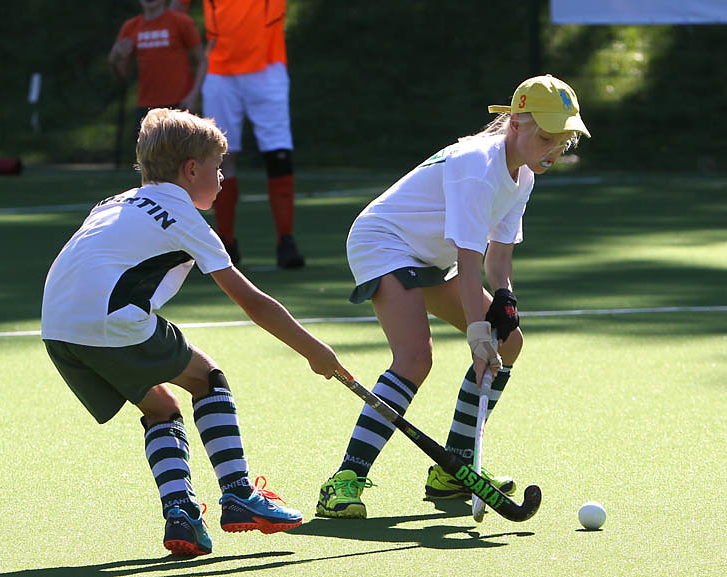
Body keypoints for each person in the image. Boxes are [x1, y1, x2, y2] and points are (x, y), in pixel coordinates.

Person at [41, 108, 351, 556]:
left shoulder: (114, 202)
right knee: (208, 378)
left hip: (57, 328)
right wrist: (314, 350)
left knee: (161, 406)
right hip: (112, 320)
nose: (222, 178)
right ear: (191, 170)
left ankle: (181, 514)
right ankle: (239, 493)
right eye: (217, 167)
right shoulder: (184, 216)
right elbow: (253, 302)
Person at [315, 75, 591, 519]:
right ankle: (344, 479)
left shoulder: (523, 174)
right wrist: (477, 333)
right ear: (515, 123)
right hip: (385, 242)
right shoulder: (478, 167)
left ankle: (454, 469)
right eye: (546, 138)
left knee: (509, 341)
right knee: (415, 358)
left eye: (562, 141)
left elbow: (498, 257)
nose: (553, 150)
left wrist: (504, 300)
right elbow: (468, 258)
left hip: (430, 252)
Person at [171, 0, 304, 269]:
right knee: (219, 155)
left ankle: (286, 241)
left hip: (267, 65)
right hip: (219, 69)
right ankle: (226, 243)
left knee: (278, 154)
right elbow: (176, 11)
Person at [109, 0, 207, 136]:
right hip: (147, 107)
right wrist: (114, 58)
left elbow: (202, 61)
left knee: (181, 149)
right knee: (148, 150)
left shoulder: (181, 22)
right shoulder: (131, 27)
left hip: (179, 105)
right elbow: (122, 74)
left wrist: (193, 96)